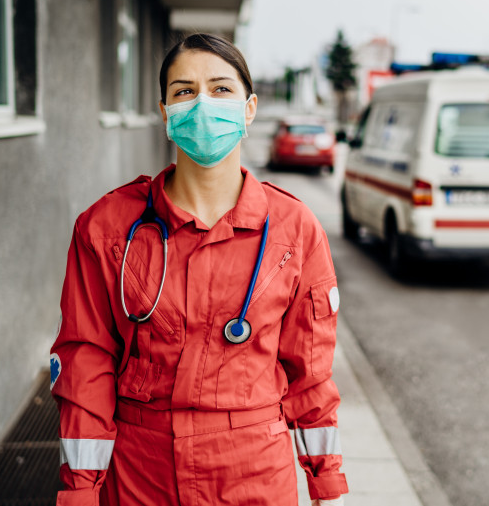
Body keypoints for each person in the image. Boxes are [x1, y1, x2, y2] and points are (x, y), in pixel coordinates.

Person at [50, 33, 348, 506]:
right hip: (140, 474)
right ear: (166, 114)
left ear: (249, 109)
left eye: (221, 89)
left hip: (254, 473)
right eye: (185, 91)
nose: (203, 103)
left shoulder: (295, 231)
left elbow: (310, 372)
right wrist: (81, 490)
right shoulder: (107, 228)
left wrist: (326, 484)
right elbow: (86, 362)